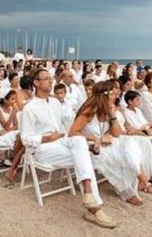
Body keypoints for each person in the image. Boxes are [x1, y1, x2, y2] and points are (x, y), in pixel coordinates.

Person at [21, 69, 117, 228]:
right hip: (43, 148)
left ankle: (88, 194)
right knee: (84, 155)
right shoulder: (29, 108)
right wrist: (45, 137)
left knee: (79, 141)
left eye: (51, 78)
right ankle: (95, 208)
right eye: (46, 79)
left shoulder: (55, 102)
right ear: (36, 83)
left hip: (61, 141)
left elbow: (67, 126)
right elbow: (25, 138)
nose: (50, 81)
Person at [70, 81, 152, 206]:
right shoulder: (90, 110)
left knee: (128, 142)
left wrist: (112, 115)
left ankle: (140, 178)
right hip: (88, 146)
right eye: (112, 94)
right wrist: (98, 138)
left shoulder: (108, 110)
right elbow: (73, 132)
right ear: (103, 96)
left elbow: (117, 134)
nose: (116, 97)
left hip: (104, 143)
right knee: (113, 157)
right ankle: (130, 190)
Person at [0, 90, 24, 182]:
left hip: (8, 133)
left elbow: (16, 126)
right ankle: (14, 167)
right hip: (0, 136)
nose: (14, 101)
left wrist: (6, 131)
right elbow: (5, 125)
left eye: (15, 99)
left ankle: (14, 166)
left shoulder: (14, 108)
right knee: (20, 137)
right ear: (5, 100)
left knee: (21, 136)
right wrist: (13, 114)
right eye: (12, 99)